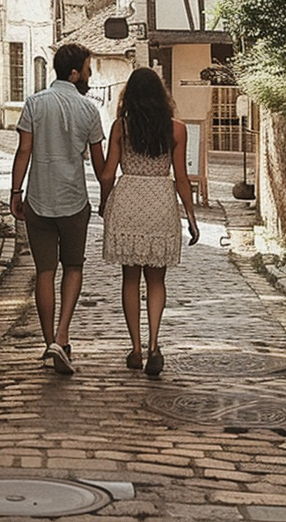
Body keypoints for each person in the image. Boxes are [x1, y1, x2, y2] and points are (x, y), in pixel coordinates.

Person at [10, 43, 106, 375]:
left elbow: (24, 151)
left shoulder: (34, 104)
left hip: (38, 199)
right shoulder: (90, 110)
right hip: (73, 201)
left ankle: (49, 339)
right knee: (74, 268)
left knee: (45, 272)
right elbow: (98, 164)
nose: (90, 75)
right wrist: (107, 196)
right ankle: (63, 335)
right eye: (88, 69)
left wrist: (15, 191)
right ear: (74, 73)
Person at [99, 67, 199, 377]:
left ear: (130, 96)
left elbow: (107, 174)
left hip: (128, 199)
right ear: (161, 96)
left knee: (130, 279)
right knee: (157, 281)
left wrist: (104, 203)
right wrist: (191, 218)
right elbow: (181, 179)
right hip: (160, 202)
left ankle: (136, 349)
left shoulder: (121, 128)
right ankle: (155, 345)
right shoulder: (177, 130)